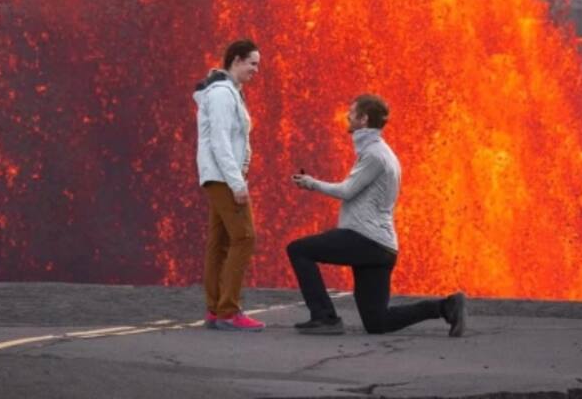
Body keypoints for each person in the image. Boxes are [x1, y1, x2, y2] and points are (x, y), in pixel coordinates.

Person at [286, 93, 466, 336]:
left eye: (352, 113)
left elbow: (347, 191)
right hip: (382, 248)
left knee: (298, 250)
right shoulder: (382, 152)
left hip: (364, 239)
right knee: (377, 323)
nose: (347, 116)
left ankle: (324, 317)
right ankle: (445, 307)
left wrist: (311, 183)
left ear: (363, 119)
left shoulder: (374, 155)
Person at [195, 39, 265, 331]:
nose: (256, 70)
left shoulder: (226, 93)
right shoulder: (223, 95)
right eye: (252, 63)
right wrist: (237, 182)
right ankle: (227, 310)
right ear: (236, 60)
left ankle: (215, 309)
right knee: (244, 238)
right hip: (224, 177)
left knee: (220, 242)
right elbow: (221, 141)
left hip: (218, 176)